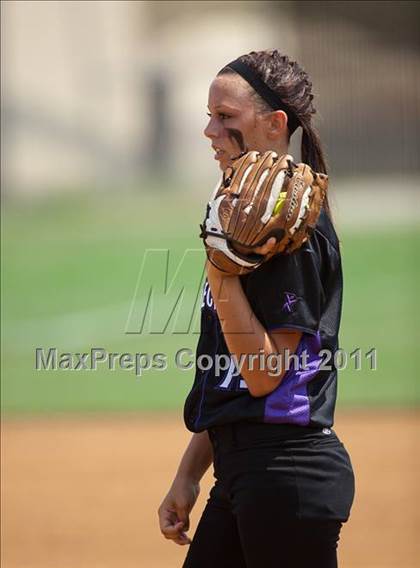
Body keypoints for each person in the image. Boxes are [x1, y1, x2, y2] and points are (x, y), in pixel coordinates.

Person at [158, 49, 355, 568]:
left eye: (225, 117)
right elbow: (231, 380)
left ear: (274, 124)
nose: (209, 132)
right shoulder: (248, 228)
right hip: (247, 471)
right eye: (209, 116)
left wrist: (221, 276)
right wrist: (188, 473)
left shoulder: (291, 233)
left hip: (287, 476)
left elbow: (266, 375)